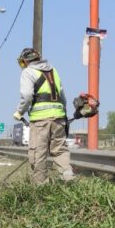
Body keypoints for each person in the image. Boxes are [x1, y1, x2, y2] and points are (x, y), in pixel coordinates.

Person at [13, 48, 75, 184]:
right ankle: (68, 176)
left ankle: (41, 187)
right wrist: (63, 113)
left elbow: (27, 95)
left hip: (40, 119)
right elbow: (62, 95)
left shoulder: (28, 72)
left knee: (38, 153)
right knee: (60, 150)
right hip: (59, 117)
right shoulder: (53, 71)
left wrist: (19, 111)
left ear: (24, 61)